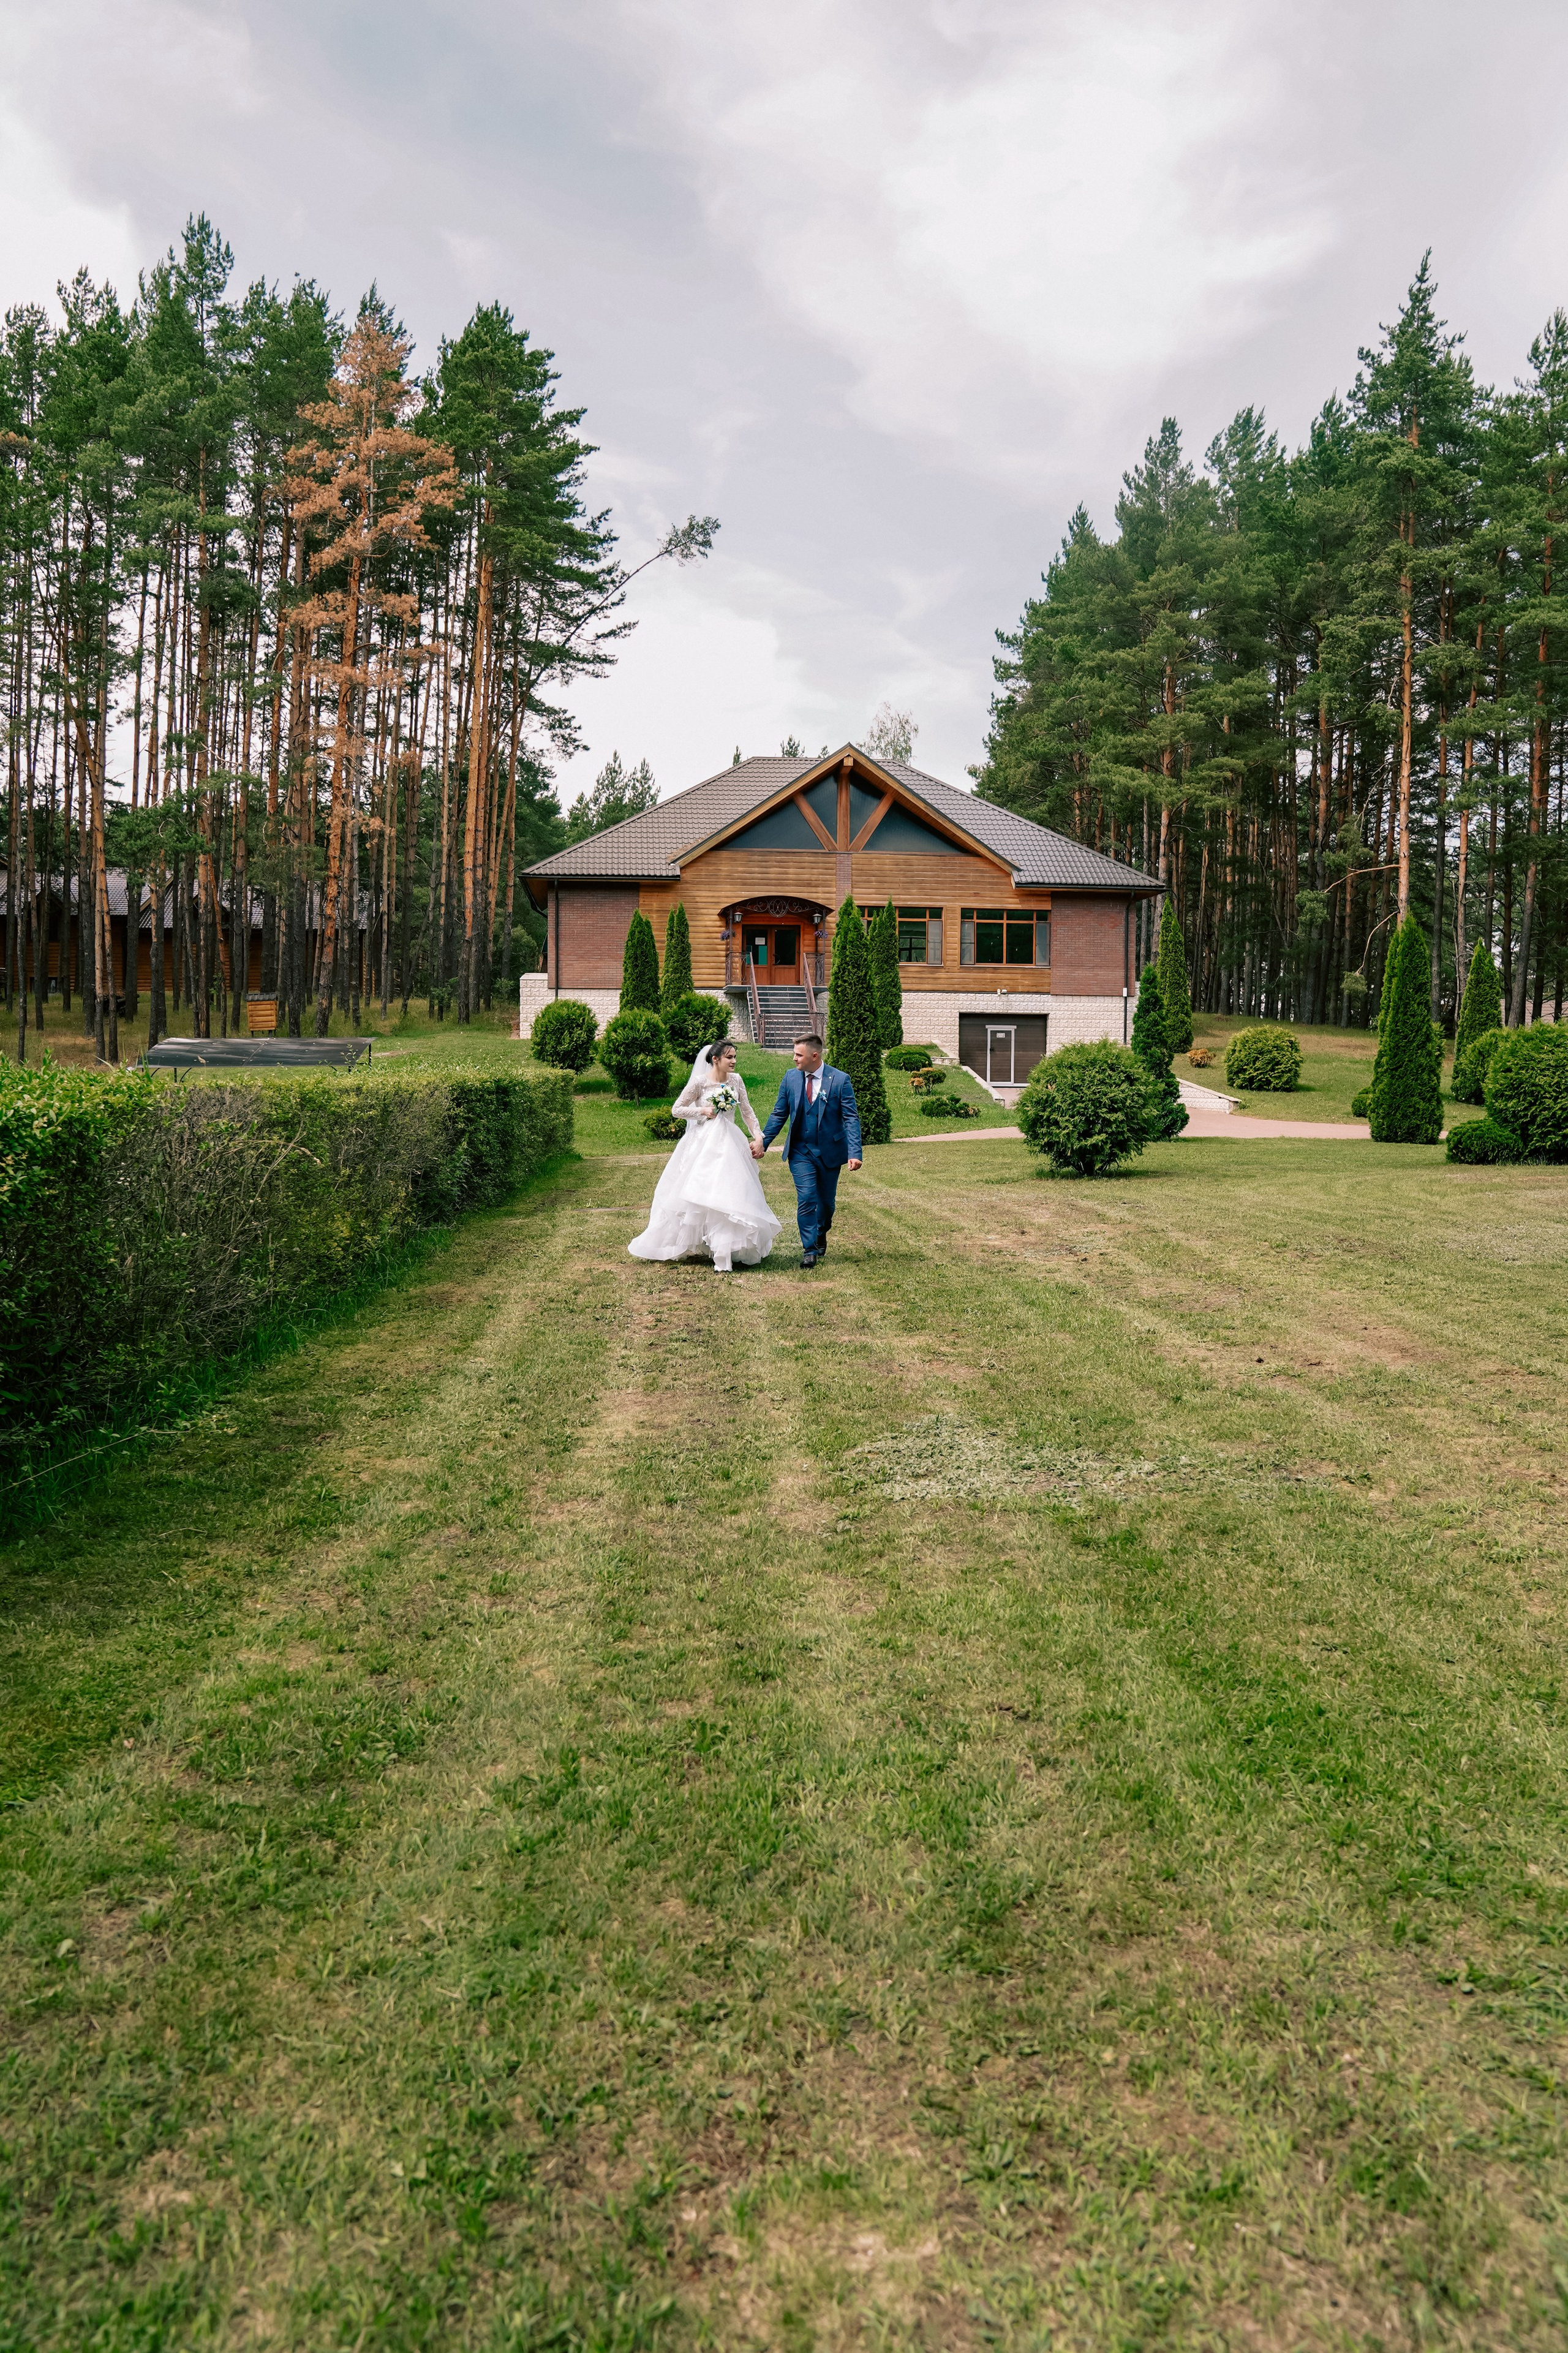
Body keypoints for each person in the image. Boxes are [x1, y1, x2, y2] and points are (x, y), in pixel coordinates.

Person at [628, 1040, 782, 1272]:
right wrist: (702, 1110)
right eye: (729, 1057)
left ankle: (725, 1250)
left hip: (730, 1142)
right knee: (701, 1193)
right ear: (715, 1059)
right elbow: (677, 1109)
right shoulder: (700, 1083)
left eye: (735, 1057)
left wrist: (758, 1136)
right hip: (703, 1143)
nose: (734, 1061)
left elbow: (747, 1112)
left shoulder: (736, 1080)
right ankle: (701, 1244)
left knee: (729, 1192)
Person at [752, 1032, 862, 1269]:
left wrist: (855, 1152)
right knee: (807, 1199)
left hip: (830, 1152)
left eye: (798, 1055)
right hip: (800, 1152)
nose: (794, 1059)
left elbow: (851, 1118)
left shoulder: (840, 1080)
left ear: (815, 1056)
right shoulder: (791, 1078)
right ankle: (809, 1249)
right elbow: (779, 1113)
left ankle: (822, 1231)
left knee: (827, 1204)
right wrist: (764, 1141)